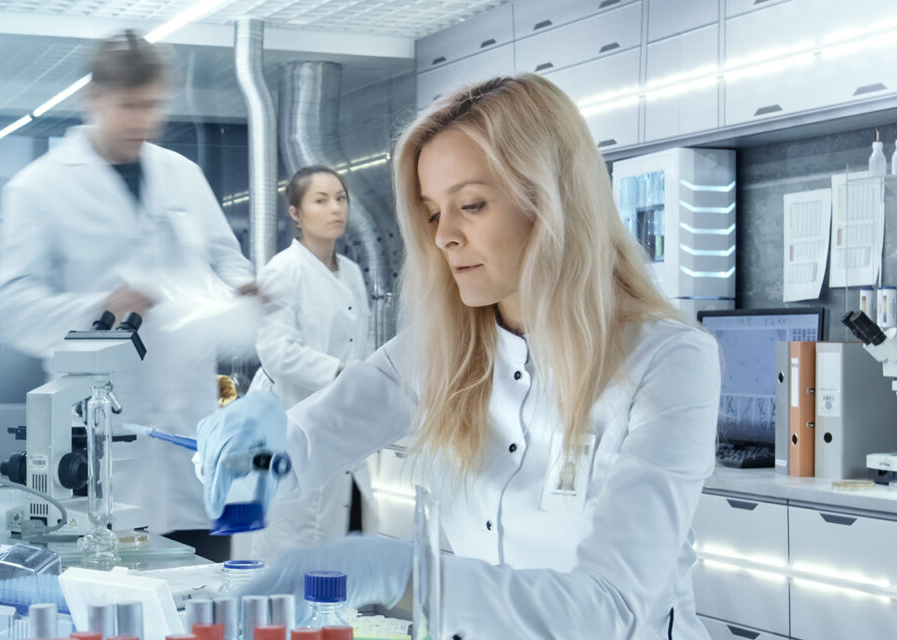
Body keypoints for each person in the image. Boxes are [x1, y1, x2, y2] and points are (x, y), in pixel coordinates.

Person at [199, 73, 720, 639]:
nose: (444, 236)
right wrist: (255, 448)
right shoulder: (443, 348)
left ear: (552, 201)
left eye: (470, 204)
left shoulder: (667, 360)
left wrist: (403, 576)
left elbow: (610, 609)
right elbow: (317, 431)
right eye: (431, 212)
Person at [0, 30, 255, 560]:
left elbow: (228, 262)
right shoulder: (39, 188)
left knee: (201, 609)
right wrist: (98, 309)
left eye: (153, 105)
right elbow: (10, 306)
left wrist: (241, 290)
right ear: (94, 100)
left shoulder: (182, 175)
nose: (144, 121)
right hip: (99, 460)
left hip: (189, 454)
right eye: (129, 106)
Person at [234, 166, 373, 563]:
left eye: (341, 198)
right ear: (295, 213)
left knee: (328, 544)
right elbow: (277, 351)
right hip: (290, 422)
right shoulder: (283, 271)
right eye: (321, 200)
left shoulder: (351, 273)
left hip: (336, 424)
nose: (335, 209)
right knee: (288, 540)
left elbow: (360, 342)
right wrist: (340, 372)